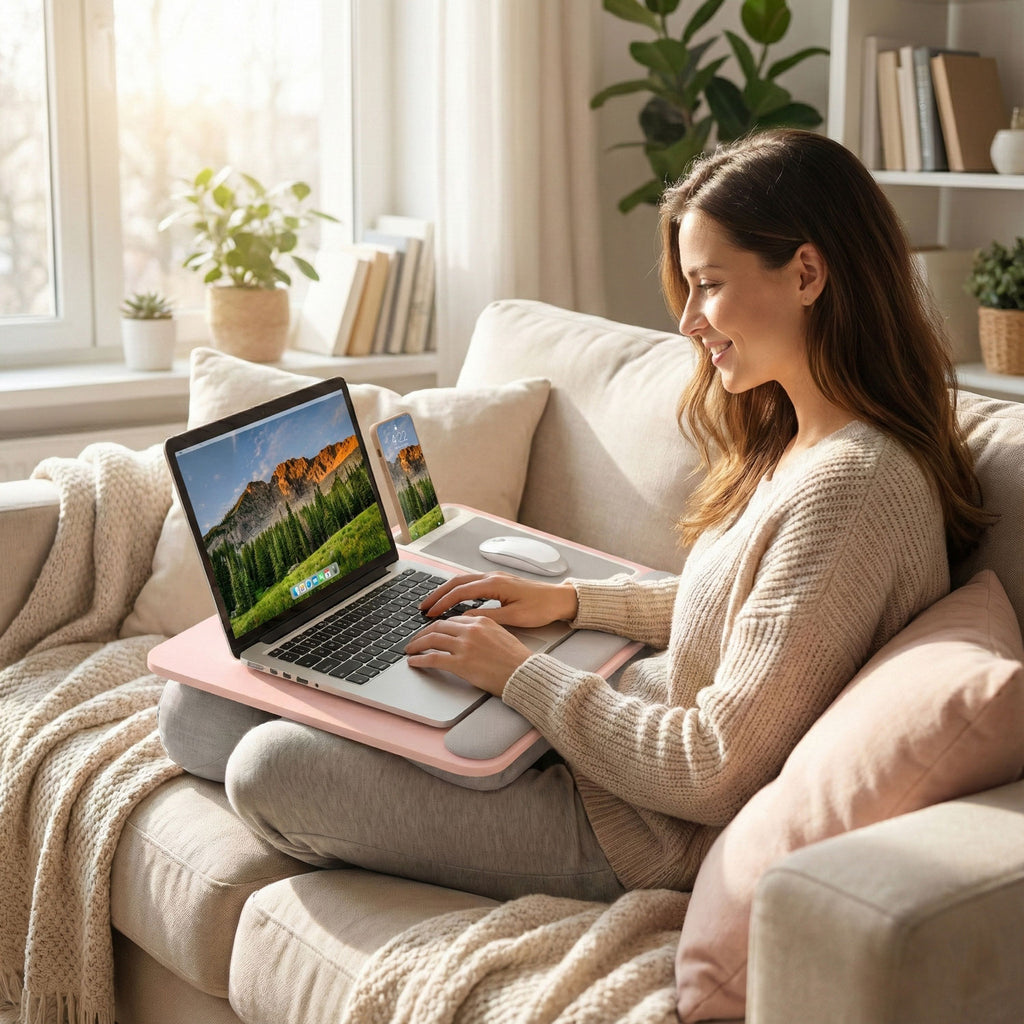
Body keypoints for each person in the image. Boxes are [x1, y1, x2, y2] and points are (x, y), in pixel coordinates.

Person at [159, 129, 990, 903]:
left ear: (807, 274)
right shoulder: (799, 438)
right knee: (195, 714)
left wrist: (518, 675)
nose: (688, 321)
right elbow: (744, 610)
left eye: (708, 285)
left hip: (640, 825)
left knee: (268, 769)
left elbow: (712, 771)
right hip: (600, 736)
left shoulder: (856, 488)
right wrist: (570, 604)